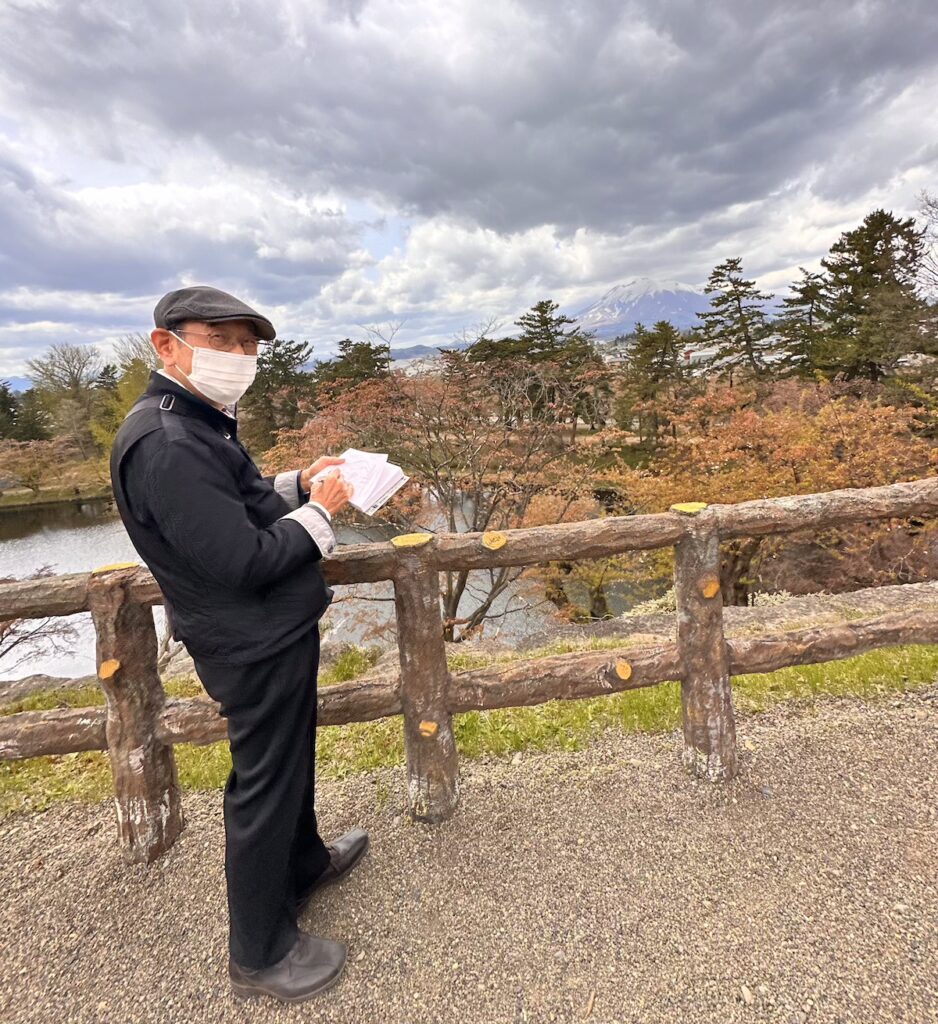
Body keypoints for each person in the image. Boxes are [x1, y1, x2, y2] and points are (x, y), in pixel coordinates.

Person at [109, 285, 368, 1003]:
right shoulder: (166, 442)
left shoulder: (191, 420)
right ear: (166, 345)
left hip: (269, 631)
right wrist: (323, 511)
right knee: (263, 784)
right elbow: (243, 560)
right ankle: (260, 952)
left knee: (290, 766)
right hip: (250, 641)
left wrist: (294, 482)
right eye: (221, 342)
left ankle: (304, 864)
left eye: (249, 347)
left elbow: (233, 502)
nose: (239, 358)